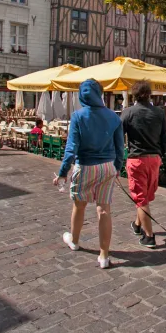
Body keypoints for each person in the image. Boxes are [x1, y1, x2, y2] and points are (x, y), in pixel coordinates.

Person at [54, 79, 124, 269]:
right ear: (100, 94)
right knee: (104, 209)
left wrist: (63, 172)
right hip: (107, 166)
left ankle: (75, 241)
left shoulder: (78, 116)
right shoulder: (113, 117)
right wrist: (117, 168)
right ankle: (104, 256)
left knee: (79, 204)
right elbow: (120, 149)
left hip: (85, 165)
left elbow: (71, 148)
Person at [122, 80, 166, 249]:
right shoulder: (159, 113)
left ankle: (149, 236)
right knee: (145, 196)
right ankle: (137, 225)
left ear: (134, 95)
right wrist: (161, 154)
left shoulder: (128, 113)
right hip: (154, 158)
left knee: (141, 198)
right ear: (150, 94)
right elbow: (165, 138)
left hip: (137, 159)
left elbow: (119, 137)